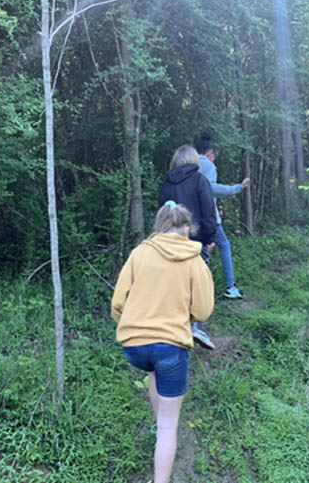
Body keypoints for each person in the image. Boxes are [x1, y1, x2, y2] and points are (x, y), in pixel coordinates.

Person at [111, 201, 214, 483]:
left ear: (159, 227)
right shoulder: (194, 259)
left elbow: (118, 303)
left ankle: (158, 431)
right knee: (171, 425)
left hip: (134, 346)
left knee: (155, 373)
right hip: (170, 345)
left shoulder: (140, 253)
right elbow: (203, 311)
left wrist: (132, 323)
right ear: (187, 229)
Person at [158, 145, 217, 349]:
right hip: (196, 240)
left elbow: (162, 215)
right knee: (200, 283)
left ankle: (176, 326)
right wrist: (209, 237)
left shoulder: (165, 184)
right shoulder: (199, 180)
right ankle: (197, 327)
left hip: (170, 242)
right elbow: (209, 211)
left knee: (177, 283)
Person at [195, 134, 250, 299]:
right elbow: (211, 189)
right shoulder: (208, 165)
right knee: (224, 245)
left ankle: (193, 289)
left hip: (189, 216)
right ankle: (229, 286)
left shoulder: (187, 164)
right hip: (209, 216)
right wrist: (238, 187)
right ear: (209, 151)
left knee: (197, 251)